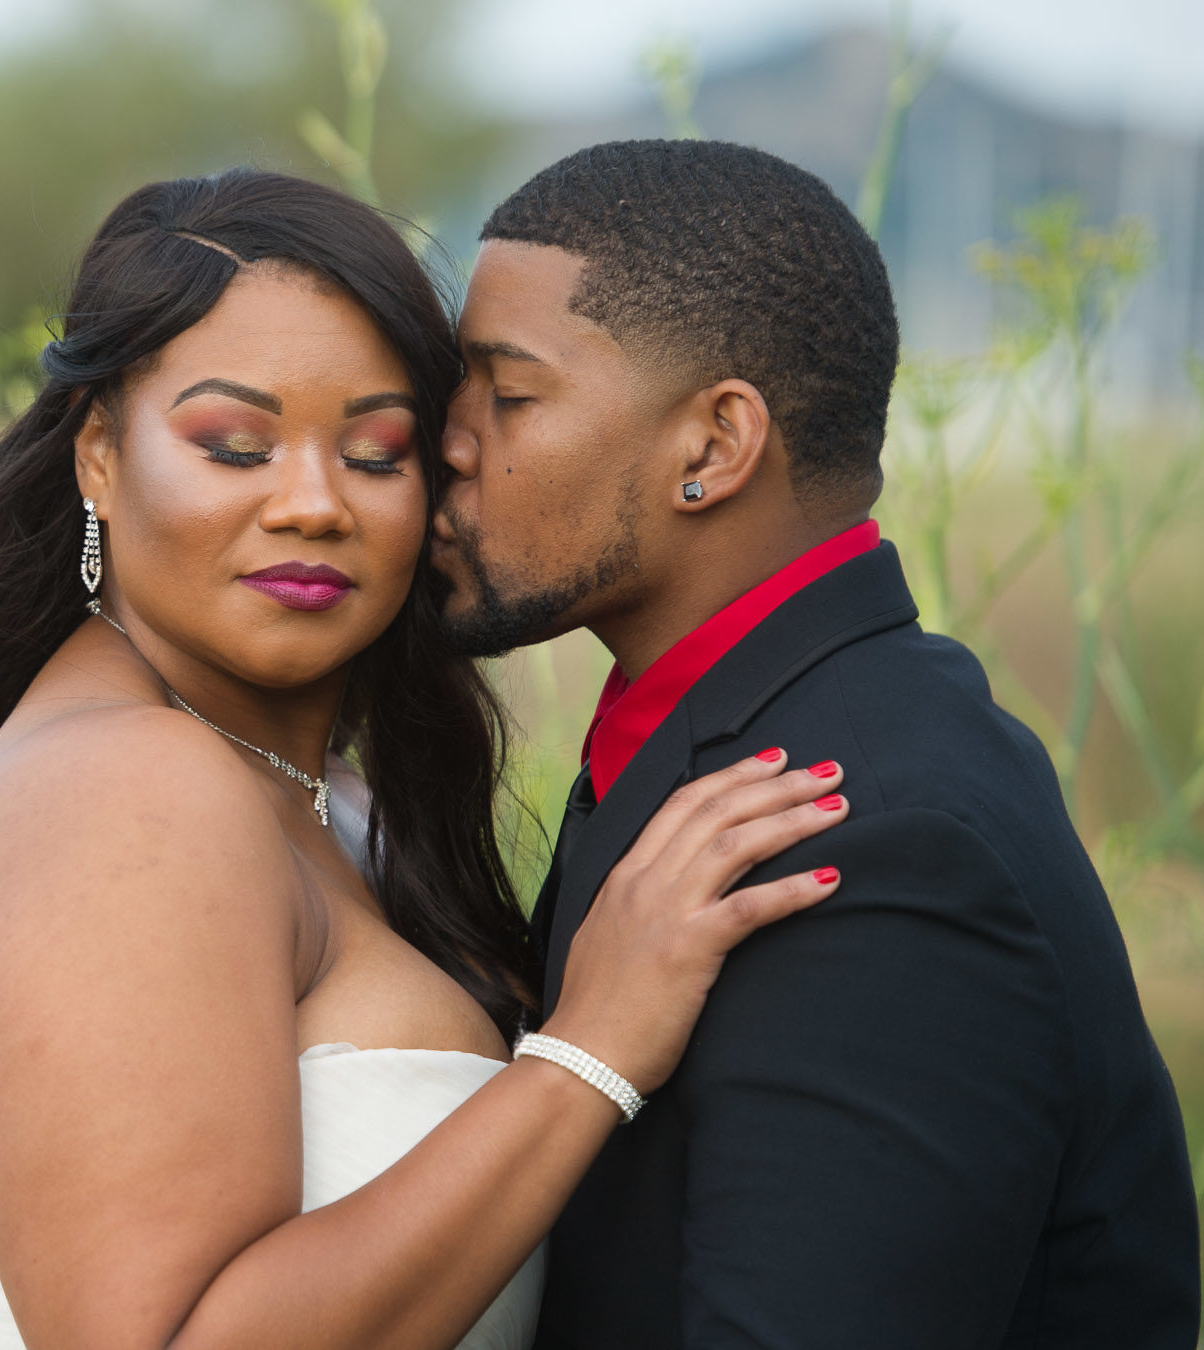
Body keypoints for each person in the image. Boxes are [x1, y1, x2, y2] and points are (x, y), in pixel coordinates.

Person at [0, 166, 854, 1350]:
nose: (314, 504)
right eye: (236, 445)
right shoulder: (125, 793)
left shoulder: (322, 794)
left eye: (376, 453)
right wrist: (587, 1054)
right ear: (99, 455)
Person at [432, 138, 1200, 1347]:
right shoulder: (742, 732)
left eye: (507, 393)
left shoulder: (867, 841)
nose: (450, 441)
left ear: (715, 446)